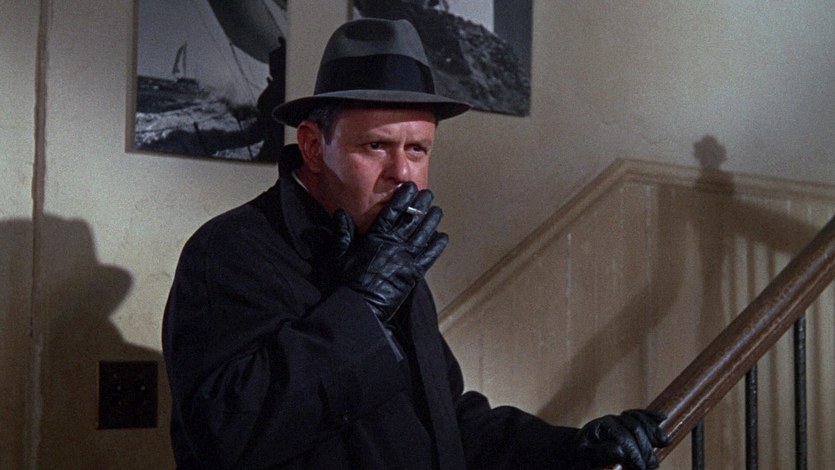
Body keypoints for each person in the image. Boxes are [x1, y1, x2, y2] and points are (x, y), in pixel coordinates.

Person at [162, 18, 670, 469]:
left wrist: (571, 448)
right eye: (376, 146)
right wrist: (363, 306)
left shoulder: (391, 252)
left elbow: (446, 421)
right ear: (314, 146)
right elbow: (224, 435)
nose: (402, 173)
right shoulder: (232, 250)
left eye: (418, 149)